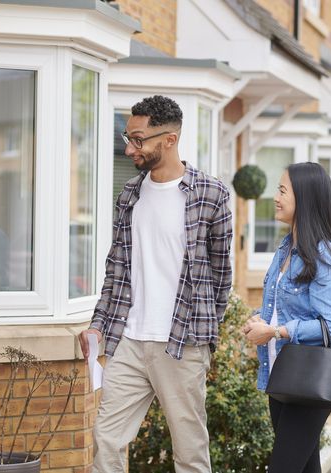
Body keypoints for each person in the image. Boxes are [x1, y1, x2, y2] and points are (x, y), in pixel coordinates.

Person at [78, 95, 233, 473]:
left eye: (138, 139)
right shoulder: (130, 194)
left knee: (189, 450)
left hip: (181, 342)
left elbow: (221, 276)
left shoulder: (211, 196)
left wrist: (205, 338)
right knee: (108, 440)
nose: (130, 147)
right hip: (129, 339)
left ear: (169, 139)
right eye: (127, 137)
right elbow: (117, 267)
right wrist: (99, 323)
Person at [242, 162, 331, 473]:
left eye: (282, 190)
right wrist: (257, 322)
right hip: (281, 374)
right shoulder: (286, 248)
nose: (275, 197)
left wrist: (276, 332)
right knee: (305, 468)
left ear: (304, 198)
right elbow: (281, 308)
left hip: (310, 378)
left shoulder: (324, 255)